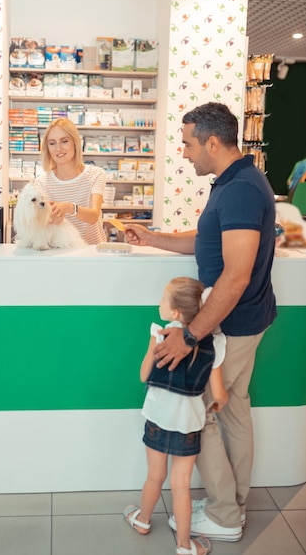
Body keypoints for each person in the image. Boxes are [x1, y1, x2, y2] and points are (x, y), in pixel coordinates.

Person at [125, 102, 277, 543]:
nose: (184, 151)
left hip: (233, 321)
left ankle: (226, 516)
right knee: (233, 411)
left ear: (213, 141)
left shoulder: (243, 189)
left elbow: (235, 275)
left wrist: (191, 334)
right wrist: (154, 238)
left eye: (188, 143)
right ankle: (235, 506)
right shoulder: (233, 183)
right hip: (243, 319)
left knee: (204, 413)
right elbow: (208, 239)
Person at [123, 277, 227, 555]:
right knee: (181, 485)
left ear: (175, 313)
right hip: (189, 423)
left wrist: (151, 346)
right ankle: (184, 545)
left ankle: (142, 520)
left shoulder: (159, 334)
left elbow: (144, 375)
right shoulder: (214, 344)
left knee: (154, 476)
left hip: (157, 417)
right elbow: (218, 394)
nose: (159, 303)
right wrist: (217, 404)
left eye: (162, 299)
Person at [35, 117, 106, 245]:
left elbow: (93, 216)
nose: (58, 148)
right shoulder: (42, 182)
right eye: (52, 143)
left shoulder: (96, 175)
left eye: (64, 141)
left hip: (93, 252)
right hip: (60, 252)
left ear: (75, 142)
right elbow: (41, 223)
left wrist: (69, 207)